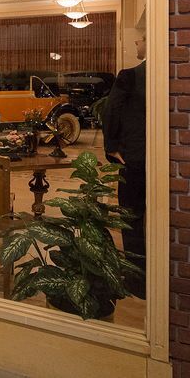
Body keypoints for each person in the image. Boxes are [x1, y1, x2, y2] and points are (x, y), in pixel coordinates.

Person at [102, 31, 146, 298]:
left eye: (139, 40)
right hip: (156, 157)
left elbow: (112, 111)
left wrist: (112, 147)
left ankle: (136, 279)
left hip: (133, 157)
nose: (136, 44)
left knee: (131, 217)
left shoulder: (129, 76)